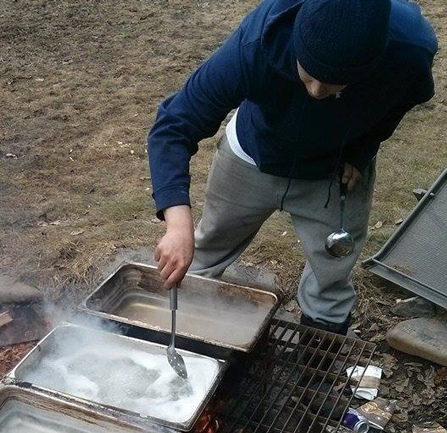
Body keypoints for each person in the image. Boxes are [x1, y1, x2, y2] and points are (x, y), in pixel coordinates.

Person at [147, 0, 437, 334]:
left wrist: (362, 150)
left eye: (333, 86)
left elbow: (400, 100)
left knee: (330, 279)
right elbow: (174, 124)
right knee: (205, 251)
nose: (315, 92)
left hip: (332, 171)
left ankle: (317, 365)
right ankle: (180, 344)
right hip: (252, 154)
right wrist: (177, 224)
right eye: (309, 75)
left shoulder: (410, 50)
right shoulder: (256, 43)